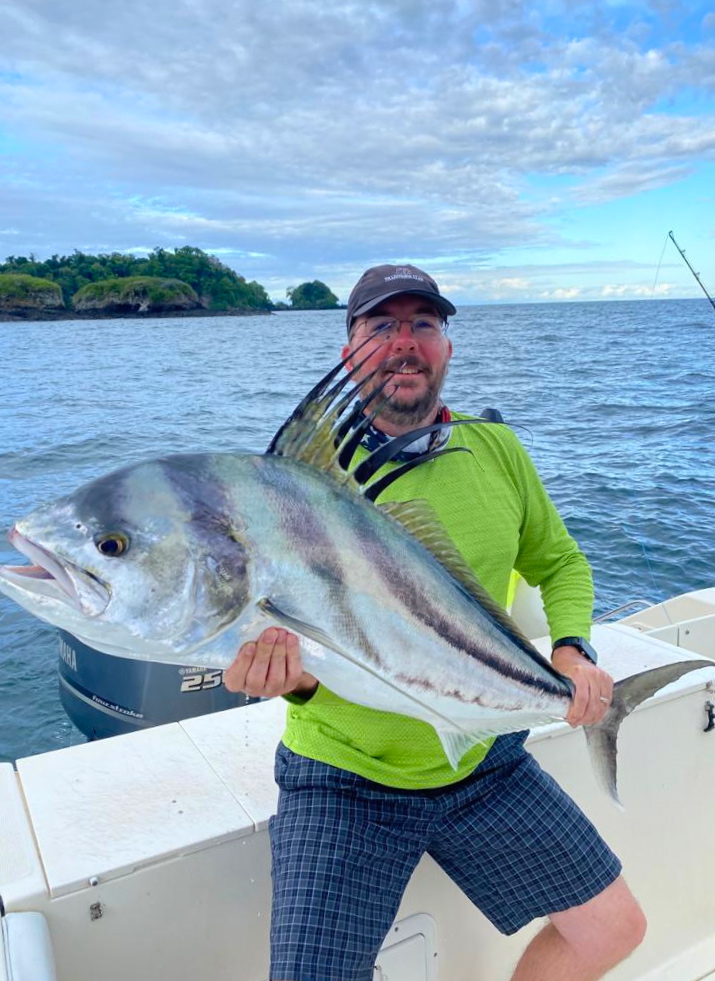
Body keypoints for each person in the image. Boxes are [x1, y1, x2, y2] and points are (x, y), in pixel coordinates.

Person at [224, 264, 646, 981]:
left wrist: (573, 649)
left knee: (613, 929)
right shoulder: (297, 486)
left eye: (423, 323)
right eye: (380, 326)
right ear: (347, 350)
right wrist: (284, 677)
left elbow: (560, 561)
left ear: (447, 346)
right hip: (343, 776)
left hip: (482, 759)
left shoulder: (497, 450)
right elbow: (285, 637)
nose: (404, 342)